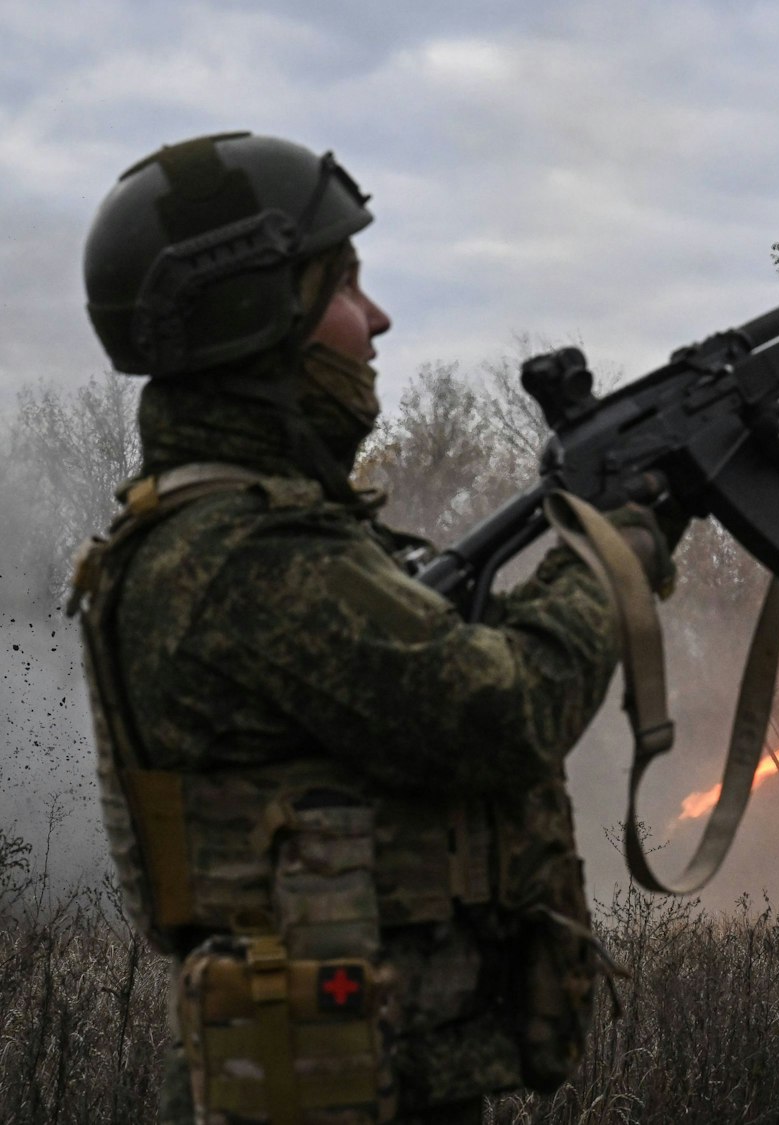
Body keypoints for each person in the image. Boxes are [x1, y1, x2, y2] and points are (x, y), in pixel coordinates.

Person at [72, 132, 678, 1124]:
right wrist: (612, 555)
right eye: (345, 286)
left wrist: (631, 524)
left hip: (367, 1069)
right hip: (349, 1086)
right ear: (260, 317)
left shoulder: (234, 533)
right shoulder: (250, 557)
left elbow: (455, 672)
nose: (378, 318)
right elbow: (507, 709)